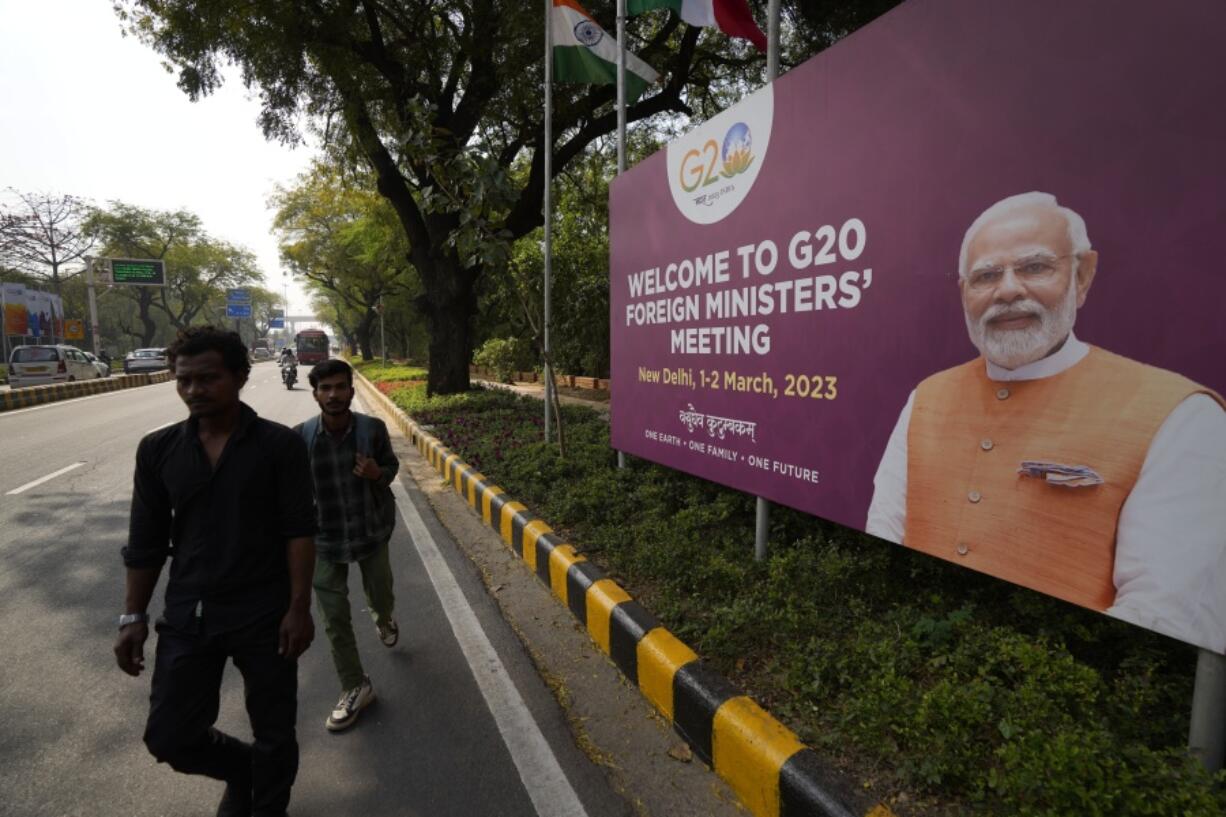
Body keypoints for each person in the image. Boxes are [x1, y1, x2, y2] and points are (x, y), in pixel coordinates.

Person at [866, 192, 1226, 652]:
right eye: (986, 276)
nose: (1008, 290)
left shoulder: (1181, 416)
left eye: (1034, 267)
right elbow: (886, 530)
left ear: (1082, 275)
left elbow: (1169, 618)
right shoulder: (927, 396)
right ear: (964, 294)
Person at [114, 325, 317, 817]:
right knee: (169, 735)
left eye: (207, 379)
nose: (193, 391)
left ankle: (268, 806)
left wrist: (298, 608)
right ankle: (244, 771)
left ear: (240, 376)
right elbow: (145, 541)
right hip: (189, 613)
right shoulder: (158, 449)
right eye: (183, 380)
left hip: (264, 613)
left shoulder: (278, 446)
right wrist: (132, 616)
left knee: (274, 730)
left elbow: (299, 530)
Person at [294, 358, 400, 731]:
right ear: (316, 395)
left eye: (340, 387)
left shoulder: (372, 430)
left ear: (351, 392)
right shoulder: (301, 438)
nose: (334, 395)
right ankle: (355, 686)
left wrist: (377, 474)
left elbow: (390, 467)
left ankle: (383, 617)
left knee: (381, 594)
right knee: (334, 619)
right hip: (324, 542)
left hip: (370, 533)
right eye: (326, 388)